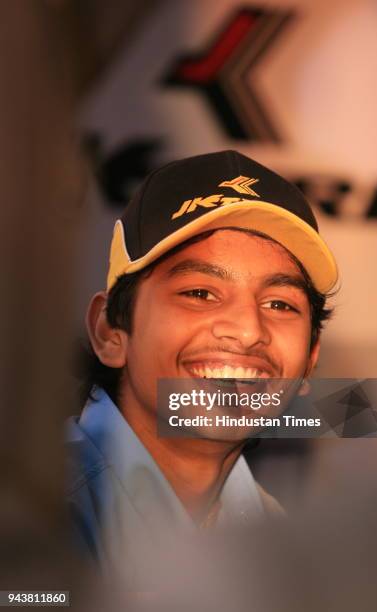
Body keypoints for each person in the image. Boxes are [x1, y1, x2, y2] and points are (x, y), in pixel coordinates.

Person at [66, 150, 337, 585]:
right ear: (110, 332)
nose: (248, 331)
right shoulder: (34, 509)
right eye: (199, 293)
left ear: (309, 360)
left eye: (279, 304)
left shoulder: (282, 541)